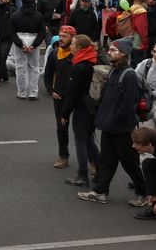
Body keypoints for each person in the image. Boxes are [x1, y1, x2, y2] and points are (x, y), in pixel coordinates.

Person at [77, 36, 147, 206]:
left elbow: (128, 105)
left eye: (113, 50)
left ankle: (143, 192)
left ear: (123, 54)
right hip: (109, 126)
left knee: (129, 162)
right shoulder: (113, 71)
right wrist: (101, 117)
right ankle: (101, 191)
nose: (109, 52)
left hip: (122, 129)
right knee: (106, 161)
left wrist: (113, 120)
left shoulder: (129, 75)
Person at [59, 34, 101, 187]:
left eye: (73, 44)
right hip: (92, 107)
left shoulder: (79, 66)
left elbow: (72, 93)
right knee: (89, 139)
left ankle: (82, 175)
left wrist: (64, 113)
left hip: (82, 108)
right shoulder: (93, 60)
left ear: (79, 48)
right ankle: (100, 169)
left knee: (80, 141)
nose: (70, 46)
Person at [43, 26, 76, 169]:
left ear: (72, 39)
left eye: (64, 36)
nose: (61, 39)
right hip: (60, 96)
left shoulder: (78, 54)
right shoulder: (54, 53)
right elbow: (48, 73)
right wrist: (51, 90)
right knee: (61, 127)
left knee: (83, 130)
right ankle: (63, 156)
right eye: (60, 36)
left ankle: (93, 161)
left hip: (78, 97)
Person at [10, 0, 46, 100]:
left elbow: (11, 32)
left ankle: (22, 92)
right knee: (34, 67)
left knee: (20, 67)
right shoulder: (39, 16)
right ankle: (33, 93)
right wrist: (34, 45)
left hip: (19, 38)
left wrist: (20, 44)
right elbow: (42, 32)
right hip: (34, 39)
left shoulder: (15, 16)